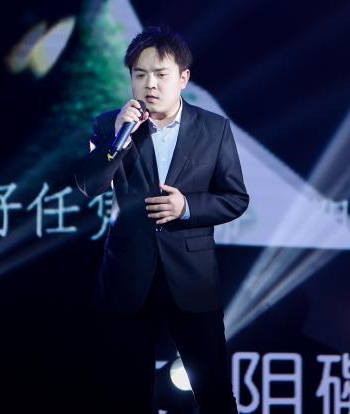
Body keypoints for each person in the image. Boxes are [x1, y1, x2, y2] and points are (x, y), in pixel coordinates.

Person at [74, 26, 249, 414]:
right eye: (140, 74)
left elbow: (236, 198)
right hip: (128, 275)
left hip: (192, 277)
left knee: (214, 392)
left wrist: (187, 206)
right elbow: (89, 185)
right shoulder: (110, 125)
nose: (149, 84)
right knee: (125, 393)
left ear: (183, 78)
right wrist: (118, 139)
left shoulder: (213, 128)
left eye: (160, 74)